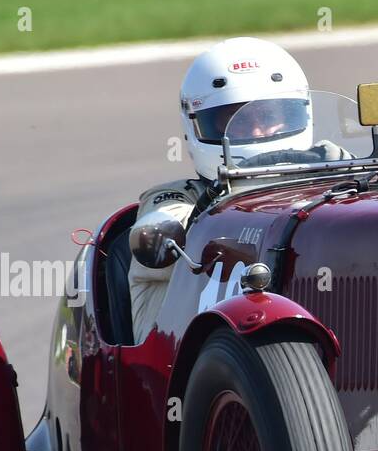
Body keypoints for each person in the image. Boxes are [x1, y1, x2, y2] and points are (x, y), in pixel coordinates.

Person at [128, 36, 349, 341]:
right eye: (234, 121)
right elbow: (180, 224)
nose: (258, 132)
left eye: (270, 117)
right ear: (196, 125)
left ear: (301, 112)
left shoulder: (330, 164)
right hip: (180, 359)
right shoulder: (173, 199)